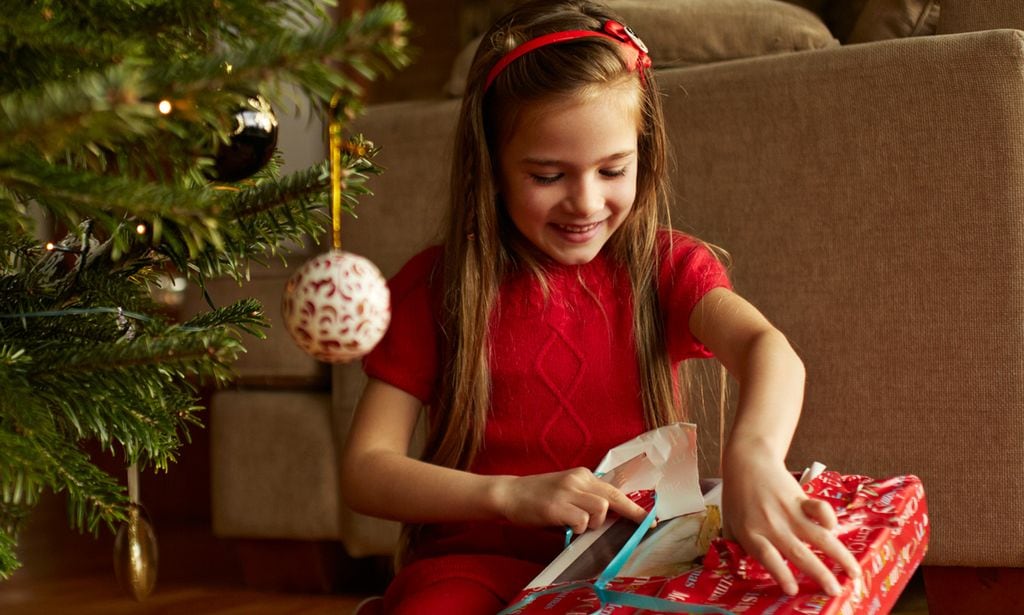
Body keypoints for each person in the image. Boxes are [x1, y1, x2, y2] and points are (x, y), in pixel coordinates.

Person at [340, 1, 861, 612]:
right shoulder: (437, 286)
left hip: (634, 564)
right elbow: (367, 468)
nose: (585, 203)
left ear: (643, 153)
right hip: (472, 562)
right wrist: (509, 497)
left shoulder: (665, 268)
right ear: (493, 167)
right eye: (546, 176)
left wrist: (754, 453)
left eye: (613, 169)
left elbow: (766, 348)